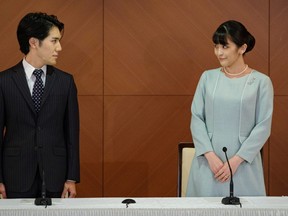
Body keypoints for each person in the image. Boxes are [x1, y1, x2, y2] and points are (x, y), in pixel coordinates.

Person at [186, 20, 273, 197]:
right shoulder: (207, 78)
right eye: (216, 46)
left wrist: (235, 162)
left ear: (242, 48)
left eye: (225, 46)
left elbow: (263, 126)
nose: (219, 52)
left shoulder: (261, 82)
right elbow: (196, 117)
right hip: (208, 164)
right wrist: (210, 156)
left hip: (243, 165)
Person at [0, 12, 80, 198]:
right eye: (54, 41)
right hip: (15, 175)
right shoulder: (3, 82)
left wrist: (71, 178)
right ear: (34, 42)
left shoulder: (65, 82)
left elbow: (72, 135)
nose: (59, 47)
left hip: (56, 176)